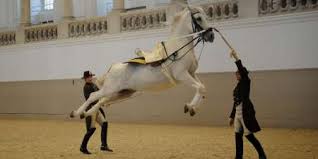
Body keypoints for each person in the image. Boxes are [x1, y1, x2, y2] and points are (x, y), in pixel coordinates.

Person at [228, 50, 267, 159]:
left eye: (238, 73)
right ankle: (238, 156)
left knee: (249, 135)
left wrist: (236, 57)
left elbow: (241, 68)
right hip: (238, 114)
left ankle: (262, 154)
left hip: (245, 112)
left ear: (242, 74)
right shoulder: (237, 87)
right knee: (237, 135)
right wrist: (232, 116)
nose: (236, 74)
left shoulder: (246, 81)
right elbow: (235, 102)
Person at [80, 71, 113, 154]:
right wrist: (101, 102)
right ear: (86, 78)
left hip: (97, 108)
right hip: (91, 109)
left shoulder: (94, 85)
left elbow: (100, 93)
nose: (91, 78)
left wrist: (105, 101)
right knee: (91, 129)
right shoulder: (86, 88)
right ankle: (83, 147)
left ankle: (104, 145)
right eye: (89, 77)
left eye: (91, 76)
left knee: (104, 124)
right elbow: (90, 99)